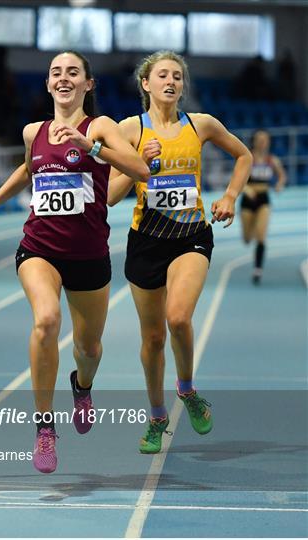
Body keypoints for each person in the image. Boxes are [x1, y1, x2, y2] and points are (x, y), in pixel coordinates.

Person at [0, 50, 150, 473]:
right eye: (56, 73)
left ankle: (81, 387)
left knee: (89, 348)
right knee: (45, 321)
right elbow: (27, 171)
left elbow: (140, 169)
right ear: (48, 84)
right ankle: (45, 427)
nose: (63, 78)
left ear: (88, 84)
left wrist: (92, 146)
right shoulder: (34, 131)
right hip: (39, 248)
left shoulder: (99, 126)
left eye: (73, 72)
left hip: (88, 255)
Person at [107, 51, 253, 454]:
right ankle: (157, 416)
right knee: (152, 338)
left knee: (179, 318)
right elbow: (109, 196)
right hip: (146, 242)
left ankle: (187, 390)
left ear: (183, 87)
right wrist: (140, 163)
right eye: (163, 75)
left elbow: (244, 155)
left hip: (191, 235)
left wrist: (230, 195)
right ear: (146, 84)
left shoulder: (201, 125)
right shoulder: (129, 129)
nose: (171, 81)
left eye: (178, 76)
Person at [240, 130, 286, 284]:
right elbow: (237, 178)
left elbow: (281, 175)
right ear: (254, 141)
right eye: (259, 139)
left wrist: (279, 184)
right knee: (247, 239)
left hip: (263, 199)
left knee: (261, 236)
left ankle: (257, 269)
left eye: (265, 139)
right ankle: (252, 227)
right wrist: (246, 189)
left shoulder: (272, 160)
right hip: (248, 199)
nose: (262, 142)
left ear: (268, 142)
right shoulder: (247, 157)